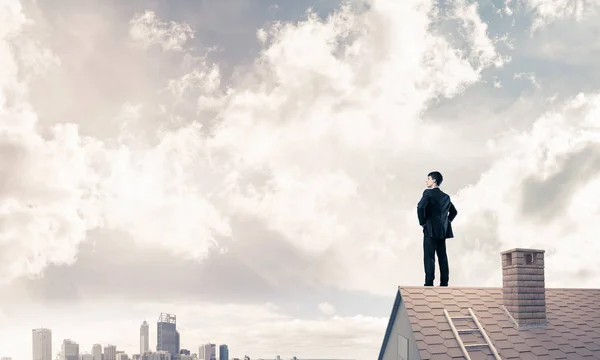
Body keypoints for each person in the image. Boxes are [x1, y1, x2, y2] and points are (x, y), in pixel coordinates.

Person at [416, 171, 457, 287]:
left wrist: (422, 222)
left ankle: (429, 283)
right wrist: (447, 222)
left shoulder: (428, 193)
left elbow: (420, 207)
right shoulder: (446, 197)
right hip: (442, 231)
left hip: (429, 229)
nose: (426, 181)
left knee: (429, 257)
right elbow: (454, 212)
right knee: (442, 257)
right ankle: (444, 283)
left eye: (428, 178)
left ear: (434, 180)